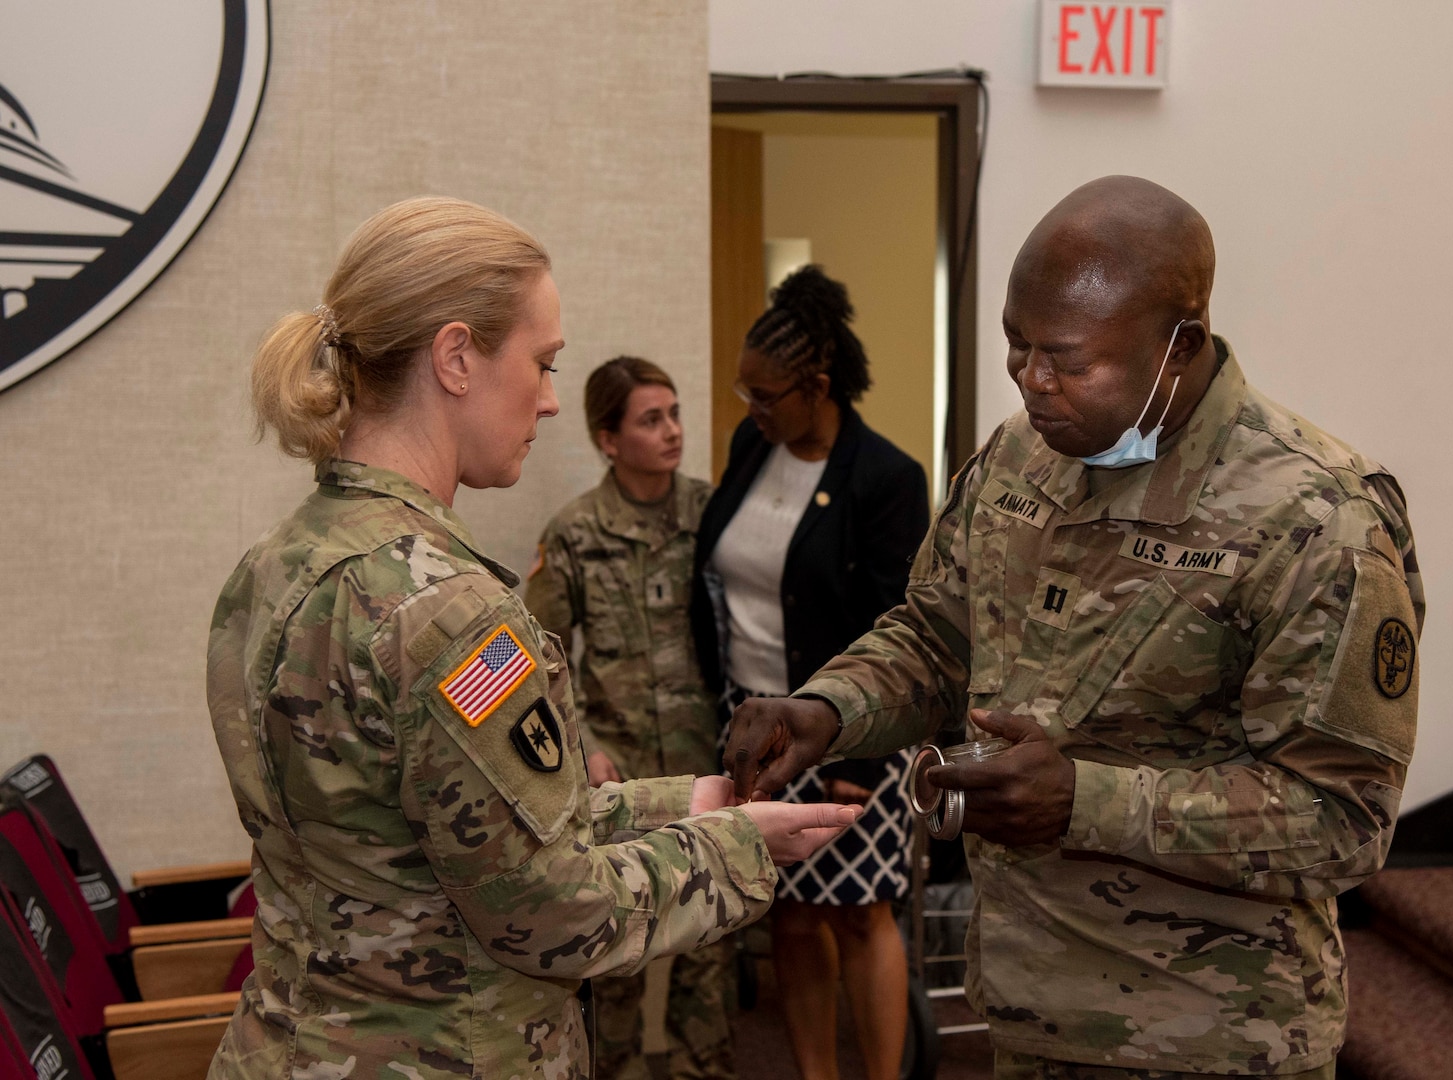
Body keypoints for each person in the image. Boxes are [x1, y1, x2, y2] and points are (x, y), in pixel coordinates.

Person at [725, 177, 1424, 1080]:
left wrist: (1084, 801)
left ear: (1182, 347)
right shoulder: (1024, 455)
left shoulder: (1315, 517)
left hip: (1208, 1037)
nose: (1032, 381)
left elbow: (1343, 817)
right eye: (1017, 348)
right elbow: (939, 639)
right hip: (1028, 1011)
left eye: (1068, 359)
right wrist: (829, 710)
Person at [205, 196, 858, 1080]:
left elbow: (450, 832)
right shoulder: (450, 613)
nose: (551, 402)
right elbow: (553, 915)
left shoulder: (274, 566)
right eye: (544, 364)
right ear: (457, 357)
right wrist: (745, 848)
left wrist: (686, 804)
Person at [692, 265, 931, 1080]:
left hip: (846, 734)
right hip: (754, 720)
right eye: (743, 393)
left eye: (764, 396)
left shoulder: (885, 479)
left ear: (818, 386)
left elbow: (898, 628)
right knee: (788, 914)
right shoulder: (751, 447)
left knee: (862, 915)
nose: (749, 411)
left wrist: (858, 761)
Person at [523, 356, 735, 1080]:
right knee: (613, 955)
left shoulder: (714, 515)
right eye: (652, 419)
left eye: (675, 413)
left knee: (709, 946)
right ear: (608, 439)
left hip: (706, 761)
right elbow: (539, 663)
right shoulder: (576, 533)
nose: (673, 431)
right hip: (619, 776)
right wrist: (581, 751)